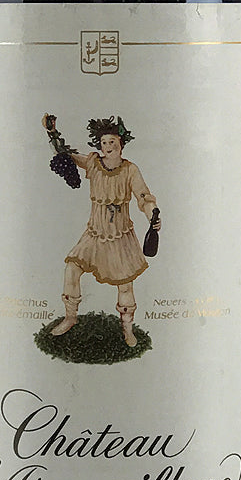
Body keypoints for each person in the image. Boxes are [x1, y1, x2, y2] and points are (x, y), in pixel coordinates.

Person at [42, 114, 161, 348]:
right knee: (72, 268)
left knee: (125, 284)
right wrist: (52, 132)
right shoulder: (93, 164)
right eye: (104, 142)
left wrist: (153, 215)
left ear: (121, 144)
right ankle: (70, 318)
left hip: (120, 236)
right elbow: (65, 155)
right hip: (95, 233)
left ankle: (127, 329)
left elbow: (144, 197)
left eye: (112, 142)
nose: (108, 146)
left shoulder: (130, 170)